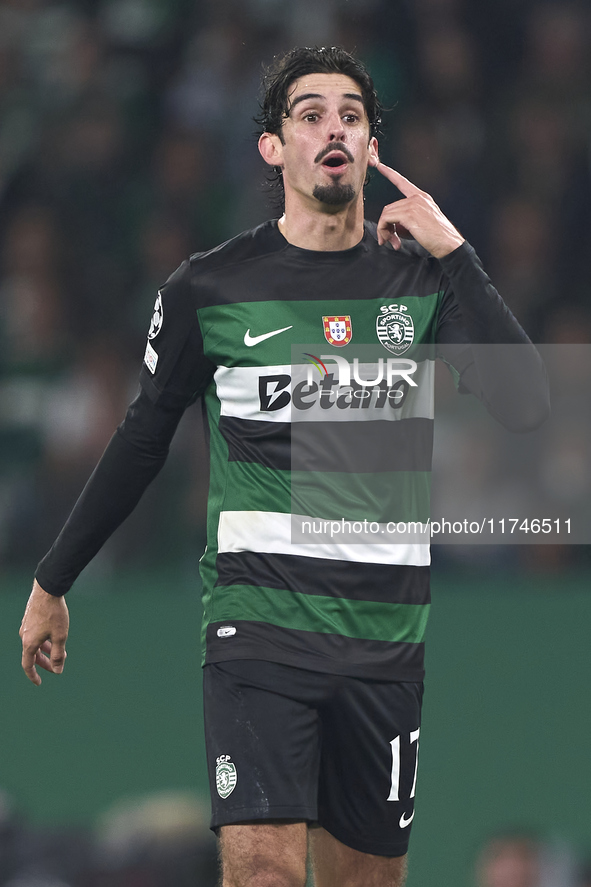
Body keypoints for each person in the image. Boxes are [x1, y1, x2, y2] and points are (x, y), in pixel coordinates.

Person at [20, 47, 549, 887]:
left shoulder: (418, 282)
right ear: (273, 146)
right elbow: (141, 437)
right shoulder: (210, 289)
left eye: (350, 114)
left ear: (372, 146)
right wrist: (54, 580)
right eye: (309, 114)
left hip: (384, 646)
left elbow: (527, 404)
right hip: (258, 630)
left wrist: (453, 249)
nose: (331, 127)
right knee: (264, 872)